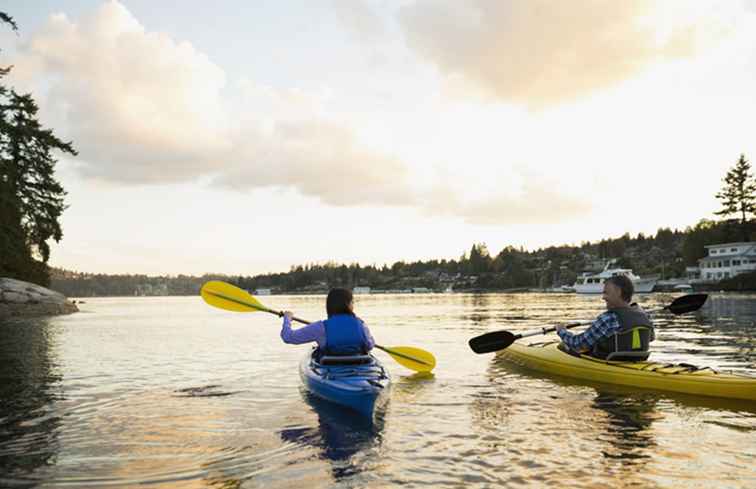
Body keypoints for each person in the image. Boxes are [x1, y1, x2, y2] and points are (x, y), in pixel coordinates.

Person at [555, 275, 655, 360]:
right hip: (638, 359)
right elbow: (651, 338)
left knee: (563, 347)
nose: (603, 297)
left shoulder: (608, 319)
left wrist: (562, 331)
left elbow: (577, 344)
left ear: (618, 292)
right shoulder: (644, 314)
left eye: (606, 292)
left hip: (611, 361)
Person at [280, 287, 375, 356]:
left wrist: (287, 319)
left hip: (330, 366)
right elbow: (369, 345)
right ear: (348, 304)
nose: (353, 305)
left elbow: (288, 337)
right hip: (358, 364)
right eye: (352, 302)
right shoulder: (361, 324)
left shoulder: (320, 327)